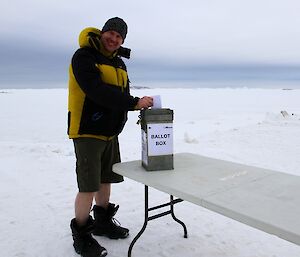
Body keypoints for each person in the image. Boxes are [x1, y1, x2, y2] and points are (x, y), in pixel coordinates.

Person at [68, 17, 153, 257]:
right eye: (111, 33)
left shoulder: (119, 64)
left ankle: (103, 222)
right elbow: (96, 91)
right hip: (87, 131)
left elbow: (121, 95)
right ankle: (82, 235)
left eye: (119, 36)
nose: (113, 39)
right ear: (102, 32)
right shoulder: (84, 56)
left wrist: (133, 107)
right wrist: (134, 102)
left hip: (109, 133)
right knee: (88, 185)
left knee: (105, 180)